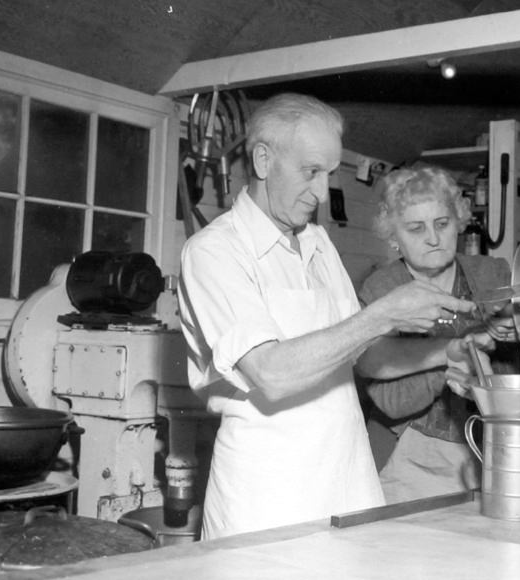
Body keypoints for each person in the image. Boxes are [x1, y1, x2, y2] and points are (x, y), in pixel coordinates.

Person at [177, 93, 480, 540]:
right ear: (263, 160)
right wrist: (382, 314)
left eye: (329, 174)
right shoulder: (215, 251)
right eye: (311, 172)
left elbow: (365, 356)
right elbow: (270, 373)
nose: (321, 192)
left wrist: (446, 351)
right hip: (269, 496)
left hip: (349, 481)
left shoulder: (318, 243)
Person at [359, 165, 520, 504]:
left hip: (496, 449)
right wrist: (454, 357)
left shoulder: (495, 274)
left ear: (459, 220)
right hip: (411, 459)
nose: (433, 238)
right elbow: (392, 401)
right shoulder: (383, 290)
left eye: (442, 223)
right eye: (416, 228)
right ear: (392, 237)